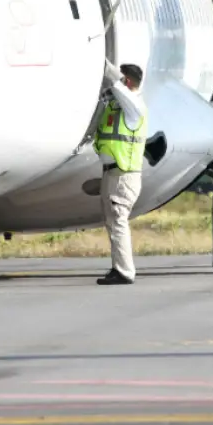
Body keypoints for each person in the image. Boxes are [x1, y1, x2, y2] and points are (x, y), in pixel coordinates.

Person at [93, 61, 147, 285]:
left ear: (128, 82)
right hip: (112, 174)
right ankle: (119, 268)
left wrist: (104, 64)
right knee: (113, 222)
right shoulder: (116, 106)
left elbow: (117, 86)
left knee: (118, 220)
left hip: (124, 175)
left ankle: (124, 271)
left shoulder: (135, 107)